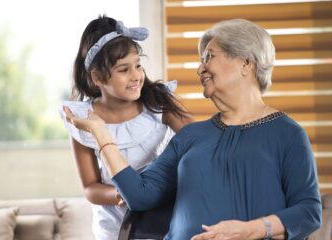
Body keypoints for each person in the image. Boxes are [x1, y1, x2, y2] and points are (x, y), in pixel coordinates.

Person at [63, 18, 322, 240]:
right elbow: (138, 196)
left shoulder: (286, 133)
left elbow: (309, 211)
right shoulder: (191, 136)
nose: (200, 68)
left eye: (209, 57)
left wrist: (251, 229)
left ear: (246, 63)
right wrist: (100, 131)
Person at [60, 15, 193, 240]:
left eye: (138, 66)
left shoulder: (157, 101)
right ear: (98, 77)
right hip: (114, 228)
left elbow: (197, 141)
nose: (136, 76)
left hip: (160, 219)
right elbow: (90, 187)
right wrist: (119, 193)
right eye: (123, 70)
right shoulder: (84, 119)